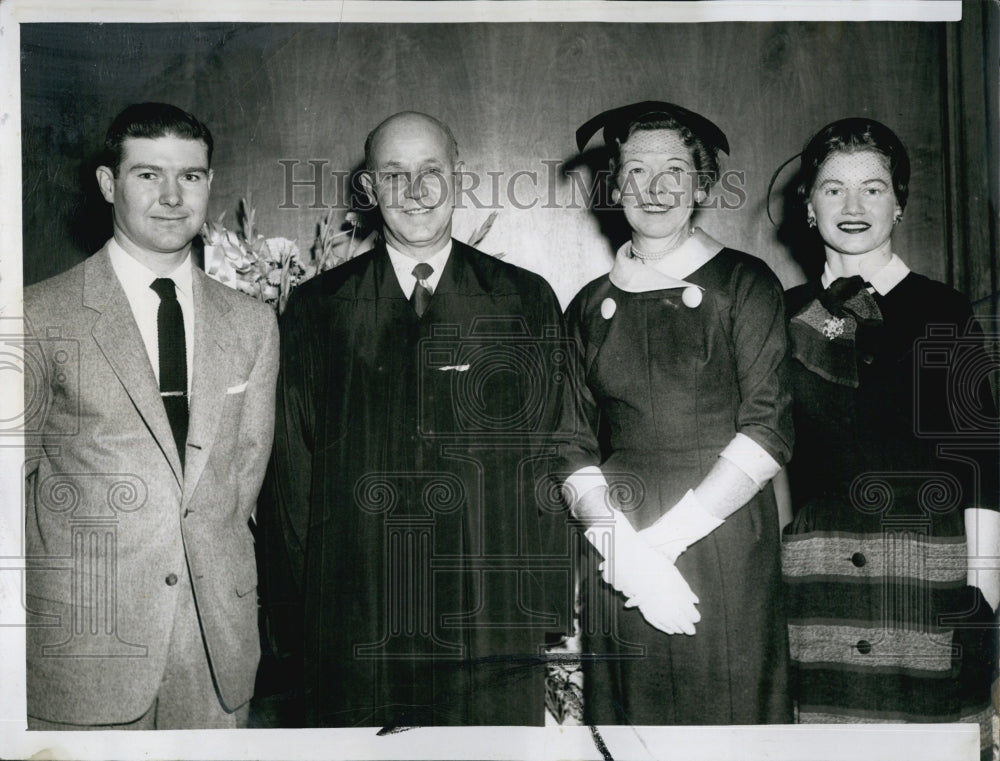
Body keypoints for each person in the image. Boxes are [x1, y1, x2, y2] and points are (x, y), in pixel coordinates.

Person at [263, 111, 572, 727]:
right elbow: (290, 476)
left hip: (490, 610)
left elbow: (553, 455)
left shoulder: (524, 298)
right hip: (358, 606)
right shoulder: (318, 309)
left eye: (431, 170)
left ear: (457, 177)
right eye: (394, 174)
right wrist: (303, 617)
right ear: (369, 191)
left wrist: (544, 609)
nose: (415, 190)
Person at [22, 102, 279, 729]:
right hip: (88, 644)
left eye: (189, 176)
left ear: (210, 184)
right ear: (110, 184)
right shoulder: (36, 316)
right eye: (147, 175)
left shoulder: (251, 322)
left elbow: (243, 481)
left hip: (216, 650)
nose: (171, 196)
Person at [563, 101, 793, 724]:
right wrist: (625, 558)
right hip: (617, 538)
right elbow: (569, 446)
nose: (655, 189)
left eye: (675, 171)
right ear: (614, 184)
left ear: (701, 183)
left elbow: (767, 432)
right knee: (630, 726)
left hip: (721, 537)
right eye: (636, 171)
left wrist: (659, 548)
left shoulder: (746, 284)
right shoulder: (588, 305)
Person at [780, 118, 998, 746]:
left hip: (929, 567)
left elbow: (981, 457)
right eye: (833, 189)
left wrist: (980, 588)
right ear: (809, 205)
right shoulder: (781, 313)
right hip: (816, 574)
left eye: (873, 189)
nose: (853, 207)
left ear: (899, 203)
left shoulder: (944, 309)